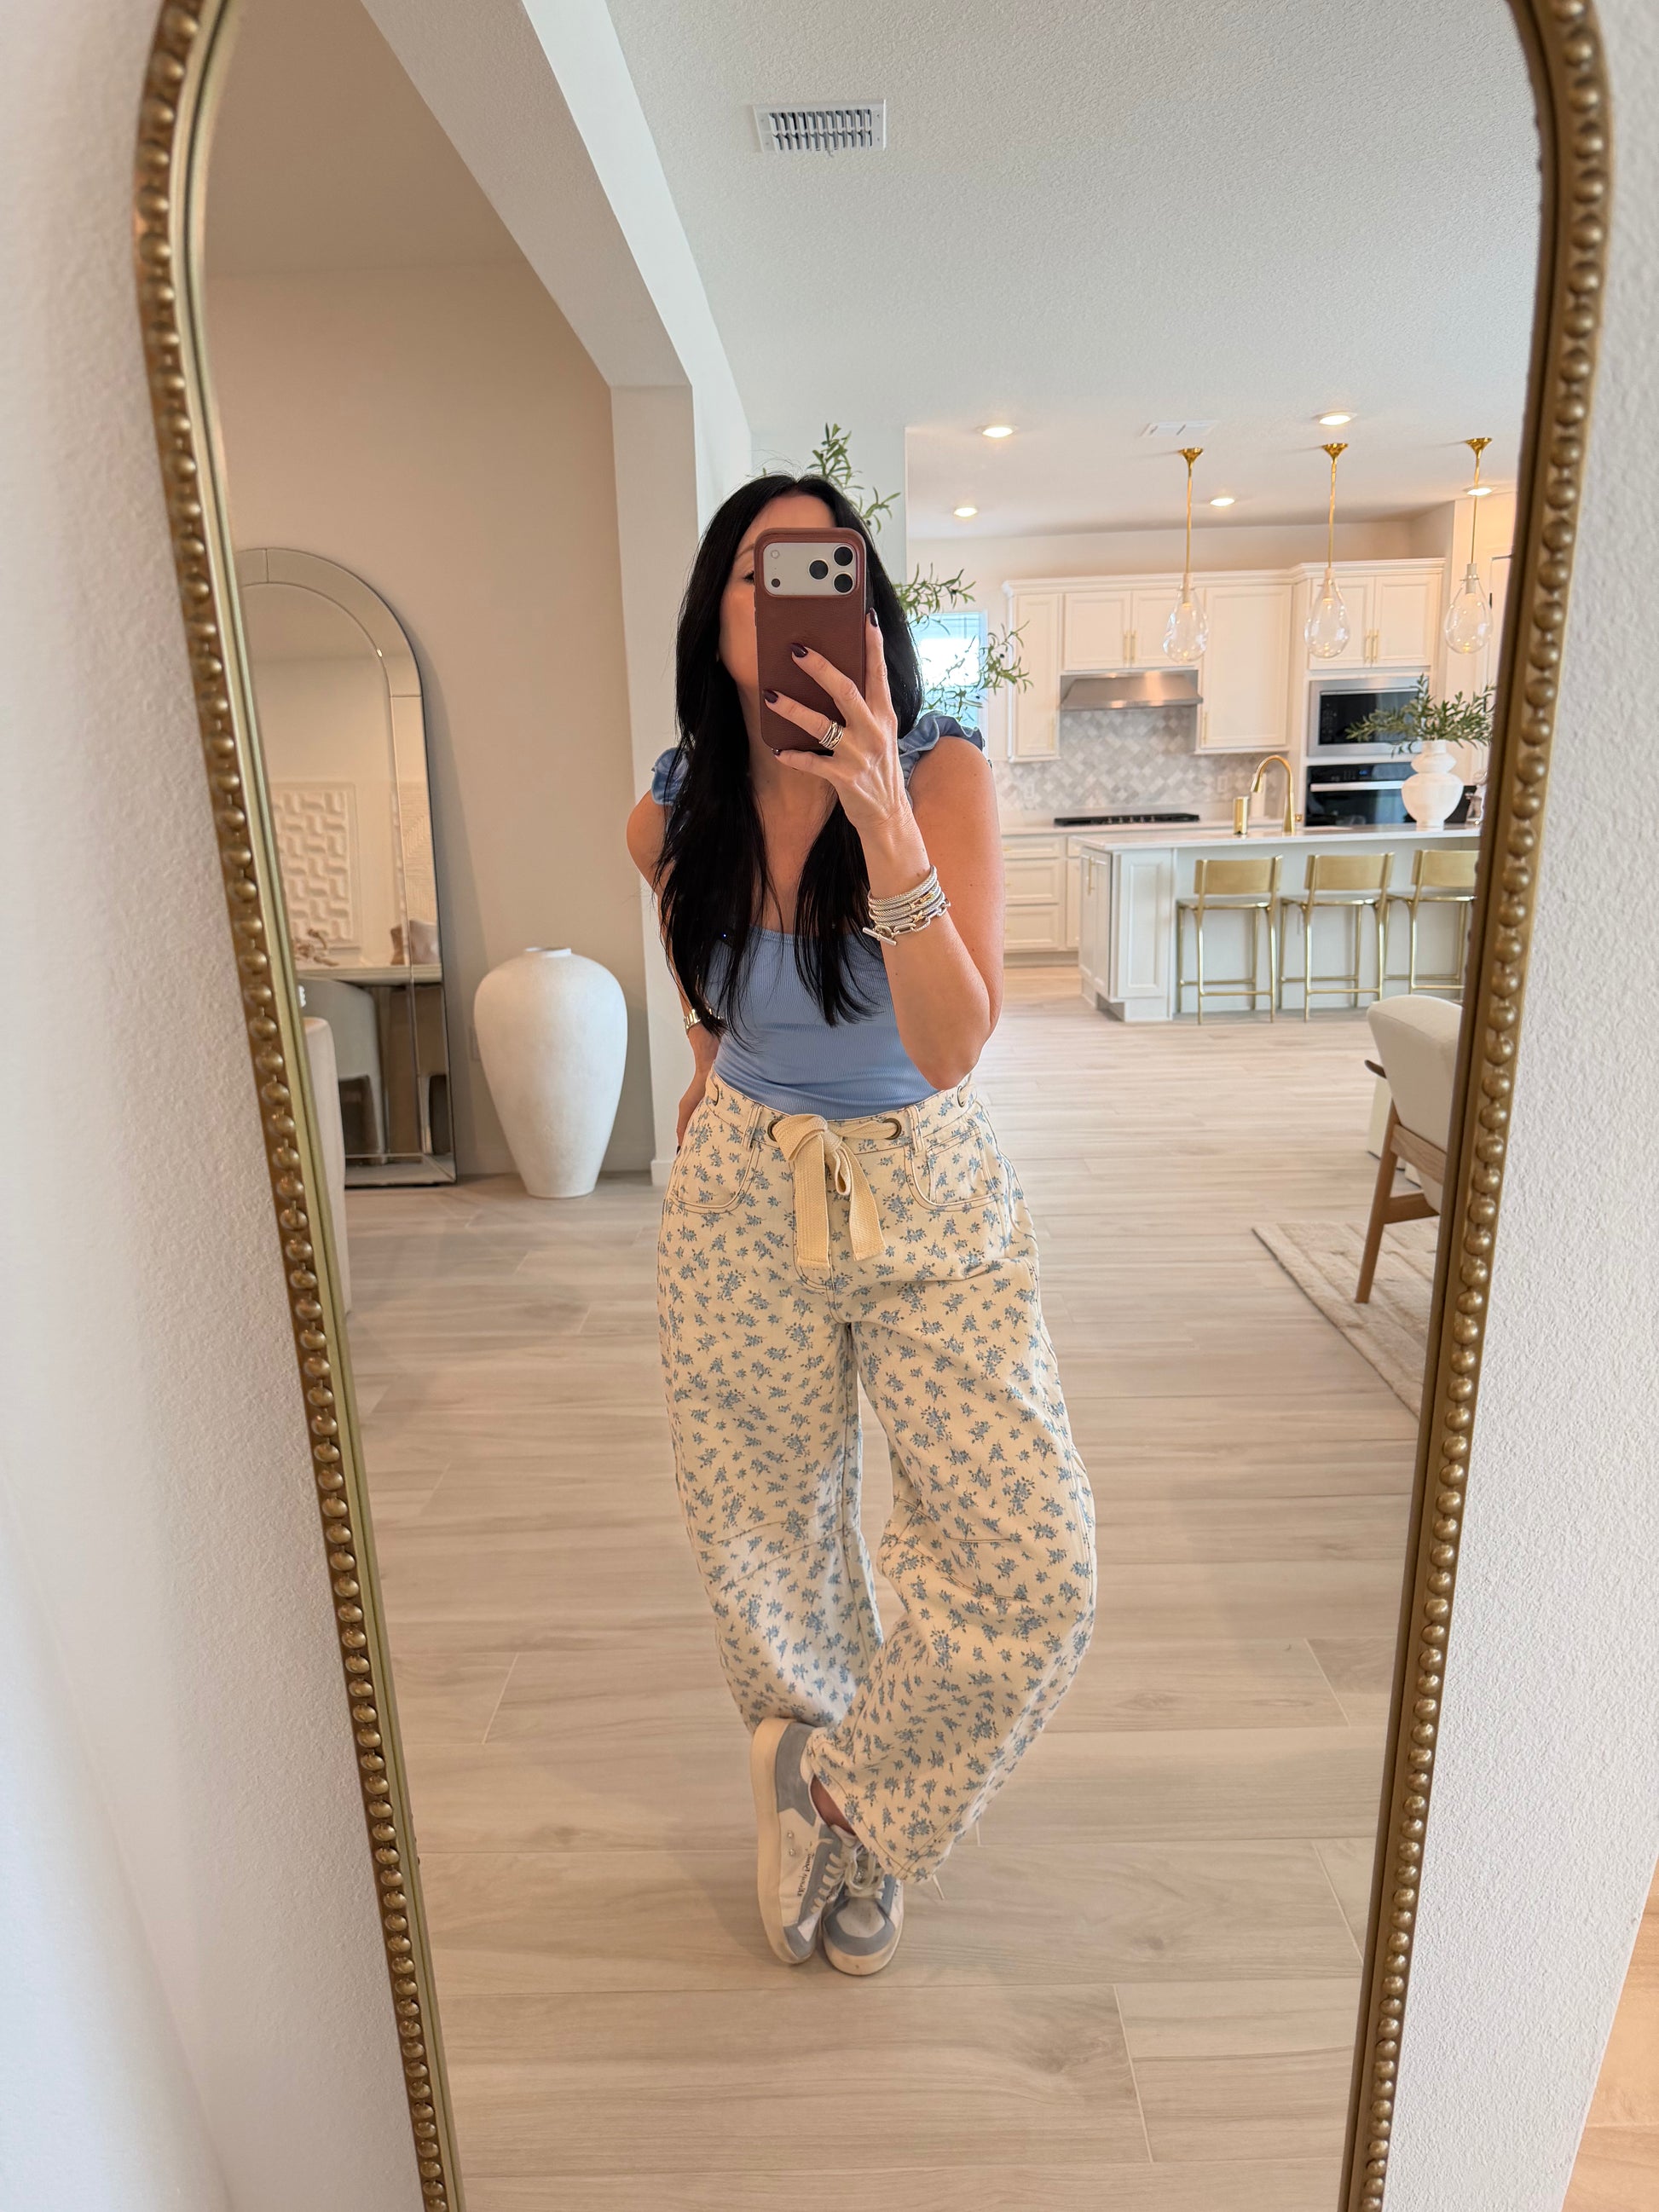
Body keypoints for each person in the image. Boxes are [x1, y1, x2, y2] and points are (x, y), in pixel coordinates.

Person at [627, 473, 1095, 1978]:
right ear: (715, 617)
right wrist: (708, 1064)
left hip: (925, 1180)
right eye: (759, 573)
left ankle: (858, 1799)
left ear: (867, 609)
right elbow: (689, 948)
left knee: (1031, 1566)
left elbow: (951, 1045)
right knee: (765, 1528)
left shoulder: (941, 777)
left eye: (824, 570)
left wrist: (879, 811)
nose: (792, 600)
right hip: (741, 1187)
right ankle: (816, 1791)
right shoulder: (674, 810)